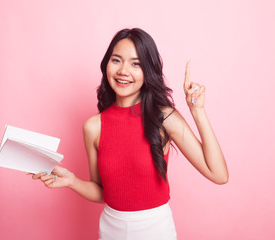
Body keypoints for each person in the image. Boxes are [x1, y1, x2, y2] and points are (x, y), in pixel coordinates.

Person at [31, 28, 229, 239]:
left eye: (136, 64)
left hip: (156, 229)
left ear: (148, 71)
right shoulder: (93, 127)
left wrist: (197, 112)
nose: (123, 71)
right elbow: (103, 192)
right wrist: (72, 181)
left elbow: (219, 174)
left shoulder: (165, 118)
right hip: (110, 229)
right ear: (107, 64)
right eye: (116, 60)